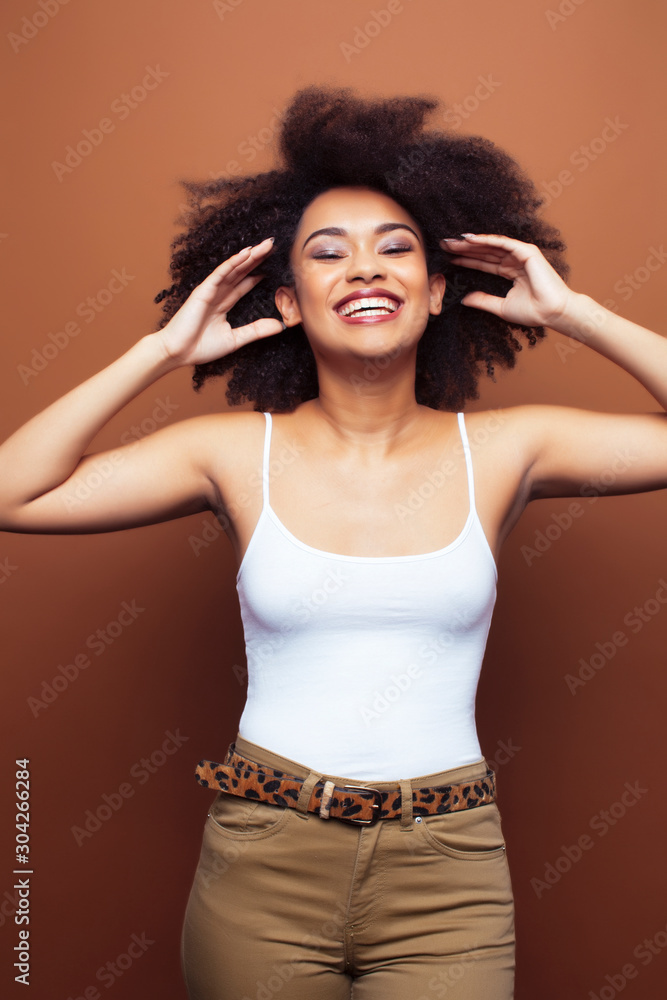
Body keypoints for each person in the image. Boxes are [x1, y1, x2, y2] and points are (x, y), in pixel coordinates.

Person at [1, 86, 666, 999]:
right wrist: (164, 350)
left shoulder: (507, 449)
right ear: (286, 297)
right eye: (328, 253)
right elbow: (12, 492)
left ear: (437, 292)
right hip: (263, 860)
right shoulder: (232, 455)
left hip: (448, 871)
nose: (366, 269)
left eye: (398, 250)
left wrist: (573, 314)